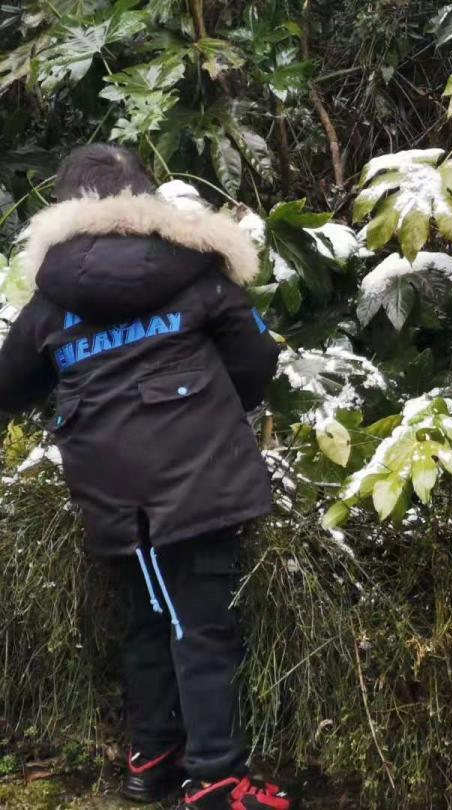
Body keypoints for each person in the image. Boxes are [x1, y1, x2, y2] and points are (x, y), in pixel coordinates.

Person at [0, 144, 296, 810]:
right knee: (203, 627)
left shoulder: (51, 300)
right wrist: (216, 411)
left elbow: (9, 387)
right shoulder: (197, 272)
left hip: (111, 490)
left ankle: (153, 757)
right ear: (145, 196)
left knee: (148, 617)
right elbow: (256, 359)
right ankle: (215, 780)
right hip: (199, 475)